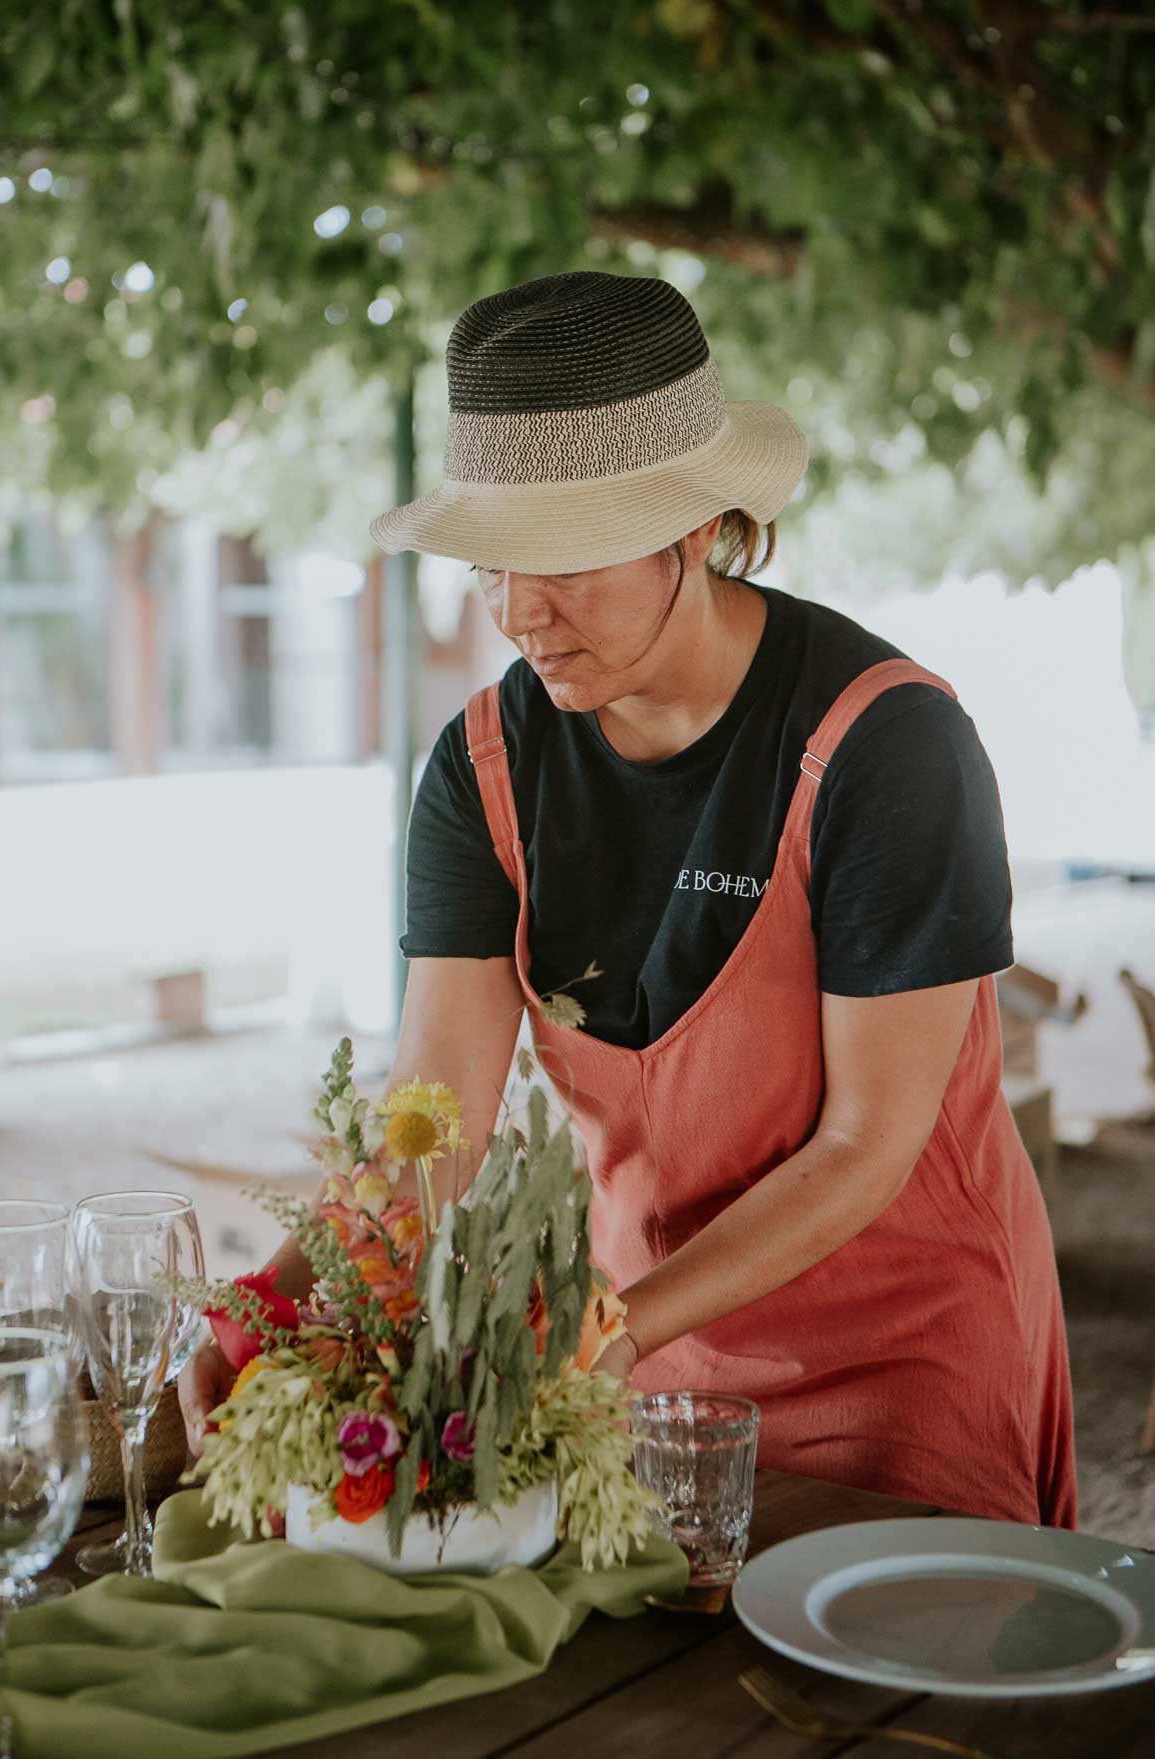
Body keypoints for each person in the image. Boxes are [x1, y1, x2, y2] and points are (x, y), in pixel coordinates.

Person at [180, 271, 1076, 1529]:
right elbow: (436, 1132)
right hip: (650, 1366)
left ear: (699, 528)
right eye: (493, 562)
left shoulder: (889, 749)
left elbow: (866, 1145)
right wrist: (284, 1301)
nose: (519, 611)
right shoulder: (485, 767)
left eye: (564, 560)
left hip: (908, 1365)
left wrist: (607, 1326)